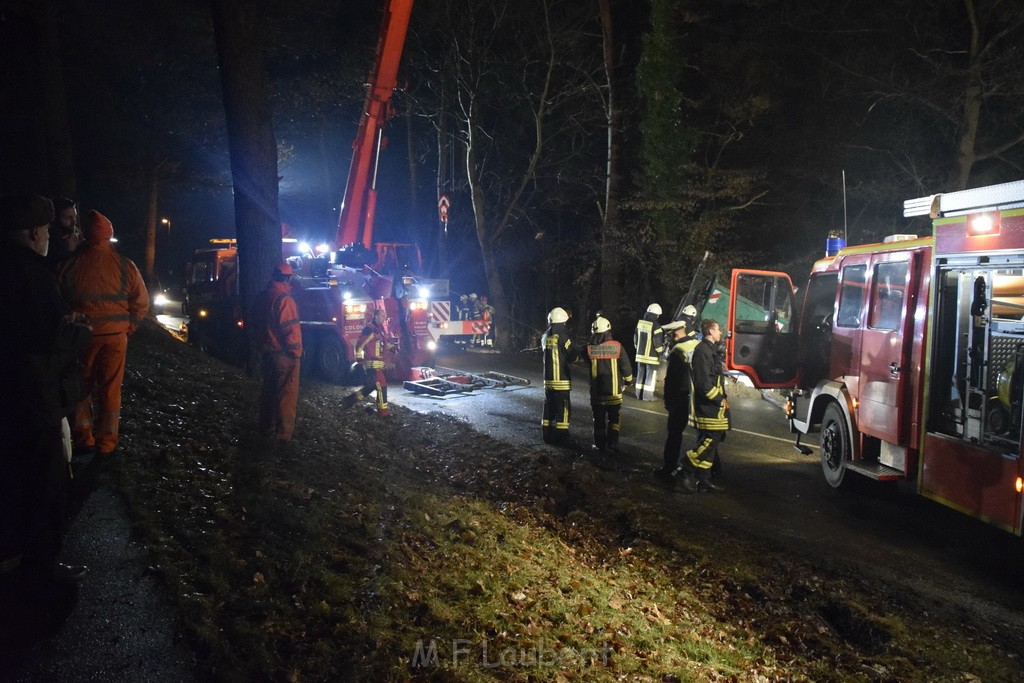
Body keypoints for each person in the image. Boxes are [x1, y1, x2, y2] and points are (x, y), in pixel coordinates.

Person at [0, 194, 93, 620]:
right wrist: (78, 332)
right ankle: (41, 575)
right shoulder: (34, 275)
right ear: (37, 233)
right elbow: (48, 343)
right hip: (34, 400)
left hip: (11, 398)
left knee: (16, 481)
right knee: (45, 484)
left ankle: (17, 557)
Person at [59, 210, 149, 457]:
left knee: (81, 387)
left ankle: (84, 438)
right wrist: (128, 327)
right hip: (116, 338)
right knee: (110, 389)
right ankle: (106, 444)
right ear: (109, 235)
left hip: (82, 338)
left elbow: (58, 301)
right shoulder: (125, 265)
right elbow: (141, 302)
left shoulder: (70, 264)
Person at [255, 262, 303, 442]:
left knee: (268, 392)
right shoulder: (285, 300)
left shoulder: (263, 297)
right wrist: (296, 352)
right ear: (289, 278)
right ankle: (283, 434)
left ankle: (265, 427)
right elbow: (291, 331)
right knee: (286, 395)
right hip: (284, 355)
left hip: (268, 354)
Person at [657, 306, 701, 485]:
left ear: (675, 333)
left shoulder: (677, 351)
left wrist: (668, 401)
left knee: (674, 434)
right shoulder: (697, 346)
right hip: (698, 396)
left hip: (681, 398)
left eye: (669, 334)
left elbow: (671, 380)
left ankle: (669, 468)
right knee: (704, 435)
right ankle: (708, 471)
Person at [685, 318, 730, 492]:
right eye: (718, 329)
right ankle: (684, 469)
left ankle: (703, 480)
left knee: (710, 442)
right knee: (709, 441)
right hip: (709, 406)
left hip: (712, 406)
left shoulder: (709, 351)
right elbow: (704, 384)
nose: (720, 333)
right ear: (710, 331)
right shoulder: (703, 352)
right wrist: (719, 399)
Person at [584, 316, 633, 452]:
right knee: (614, 420)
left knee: (598, 420)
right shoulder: (617, 347)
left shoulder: (589, 349)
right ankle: (613, 444)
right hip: (614, 393)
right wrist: (628, 381)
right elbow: (626, 367)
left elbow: (584, 360)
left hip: (597, 393)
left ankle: (599, 445)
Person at [541, 306, 576, 445]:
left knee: (549, 408)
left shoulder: (545, 337)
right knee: (563, 409)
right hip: (561, 380)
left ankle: (547, 436)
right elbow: (571, 354)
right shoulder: (563, 336)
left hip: (548, 381)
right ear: (563, 322)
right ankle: (562, 437)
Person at [352, 308, 395, 417]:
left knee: (371, 387)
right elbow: (359, 346)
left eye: (384, 316)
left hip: (377, 364)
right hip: (371, 364)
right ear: (375, 316)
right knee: (382, 386)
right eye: (381, 316)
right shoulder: (370, 329)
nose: (383, 318)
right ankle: (383, 413)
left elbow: (383, 344)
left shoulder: (379, 330)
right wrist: (360, 363)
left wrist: (392, 348)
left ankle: (349, 401)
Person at [633, 303, 664, 400]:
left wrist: (638, 349)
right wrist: (661, 353)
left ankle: (638, 394)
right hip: (652, 357)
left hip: (640, 355)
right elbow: (657, 343)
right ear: (657, 315)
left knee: (640, 373)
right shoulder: (657, 326)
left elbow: (635, 339)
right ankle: (647, 396)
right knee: (650, 376)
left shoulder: (640, 323)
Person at [45, 197, 81, 272]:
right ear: (55, 218)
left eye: (75, 216)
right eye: (68, 218)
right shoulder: (48, 239)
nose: (74, 221)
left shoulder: (74, 233)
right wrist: (69, 249)